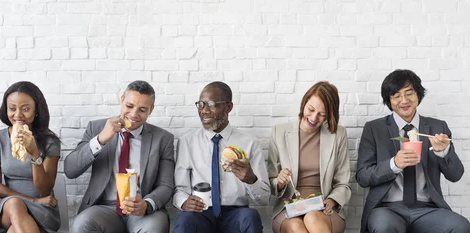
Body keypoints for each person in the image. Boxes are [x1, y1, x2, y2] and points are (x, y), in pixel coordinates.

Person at [356, 69, 470, 233]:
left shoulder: (437, 127)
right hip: (387, 209)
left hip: (428, 209)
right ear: (389, 100)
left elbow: (456, 175)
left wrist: (443, 153)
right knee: (383, 227)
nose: (404, 100)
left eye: (409, 93)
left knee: (461, 226)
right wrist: (394, 164)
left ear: (418, 94)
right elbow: (363, 176)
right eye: (396, 95)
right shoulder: (374, 129)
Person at [64, 80, 175, 233]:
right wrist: (100, 139)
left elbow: (166, 184)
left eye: (142, 109)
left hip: (142, 210)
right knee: (82, 224)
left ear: (151, 110)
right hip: (103, 208)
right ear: (122, 100)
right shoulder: (97, 128)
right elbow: (70, 170)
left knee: (155, 227)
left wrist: (147, 204)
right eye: (129, 106)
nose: (134, 114)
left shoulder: (163, 138)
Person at [173, 81, 271, 233]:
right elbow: (180, 189)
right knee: (185, 219)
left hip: (236, 213)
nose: (204, 110)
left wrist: (251, 179)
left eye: (212, 105)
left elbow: (264, 199)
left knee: (250, 216)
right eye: (200, 104)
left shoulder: (250, 143)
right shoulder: (187, 142)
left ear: (228, 107)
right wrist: (184, 202)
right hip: (201, 212)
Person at [268, 81, 350, 233]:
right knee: (296, 227)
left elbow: (343, 183)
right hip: (289, 208)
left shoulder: (338, 134)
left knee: (312, 218)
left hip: (324, 208)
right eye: (310, 109)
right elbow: (270, 183)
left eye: (322, 115)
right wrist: (279, 182)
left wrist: (332, 201)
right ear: (304, 103)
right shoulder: (279, 132)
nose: (313, 118)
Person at [0, 81, 61, 233]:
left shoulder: (50, 142)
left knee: (15, 230)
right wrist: (32, 200)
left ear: (36, 110)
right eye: (12, 109)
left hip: (43, 209)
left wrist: (34, 153)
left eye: (25, 109)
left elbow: (44, 191)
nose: (18, 115)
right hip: (9, 208)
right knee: (15, 204)